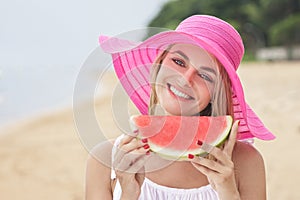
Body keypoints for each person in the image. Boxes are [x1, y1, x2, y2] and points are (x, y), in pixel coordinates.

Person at [85, 15, 275, 200]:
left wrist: (228, 193)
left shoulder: (246, 162)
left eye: (206, 76)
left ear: (217, 92)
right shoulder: (104, 160)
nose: (186, 79)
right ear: (159, 64)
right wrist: (128, 194)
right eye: (178, 62)